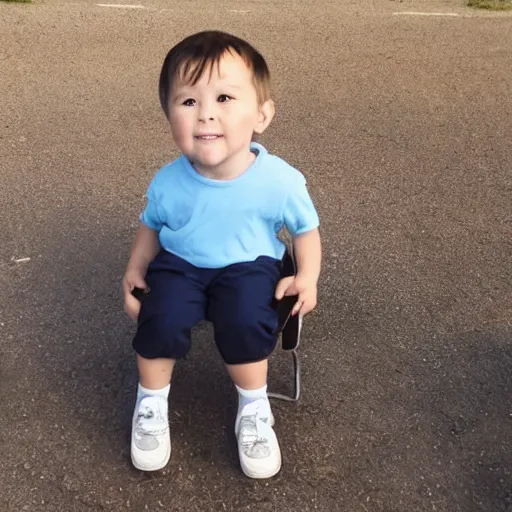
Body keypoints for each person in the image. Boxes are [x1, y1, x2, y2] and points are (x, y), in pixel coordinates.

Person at [122, 30, 321, 479]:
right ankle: (150, 401)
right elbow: (152, 225)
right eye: (188, 102)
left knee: (246, 318)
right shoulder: (169, 180)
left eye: (225, 97)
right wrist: (136, 266)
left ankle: (253, 408)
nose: (206, 113)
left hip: (250, 265)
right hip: (182, 264)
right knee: (161, 314)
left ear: (262, 114)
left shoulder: (279, 180)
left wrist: (307, 276)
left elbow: (306, 230)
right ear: (168, 115)